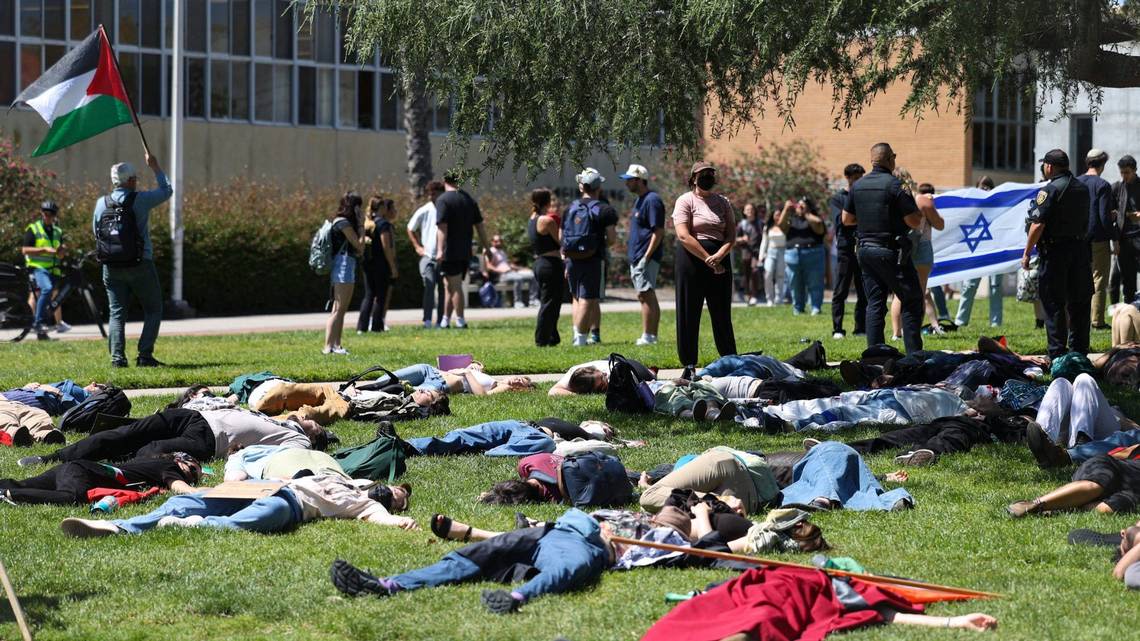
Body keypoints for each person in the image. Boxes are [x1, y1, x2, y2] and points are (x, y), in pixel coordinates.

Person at [329, 508, 609, 614]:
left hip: (582, 542)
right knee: (474, 556)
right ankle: (388, 585)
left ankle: (518, 597)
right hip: (548, 530)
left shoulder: (645, 535)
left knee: (565, 568)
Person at [60, 473, 416, 537]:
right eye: (397, 492)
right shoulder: (347, 478)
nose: (394, 496)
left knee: (250, 522)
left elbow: (383, 517)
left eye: (398, 502)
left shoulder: (366, 507)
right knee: (186, 502)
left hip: (290, 505)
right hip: (269, 486)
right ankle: (117, 527)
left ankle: (187, 526)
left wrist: (400, 521)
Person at [17, 406, 328, 468]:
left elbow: (293, 460)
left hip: (210, 441)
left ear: (314, 437)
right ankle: (50, 458)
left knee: (148, 451)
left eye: (316, 424)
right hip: (193, 416)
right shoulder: (281, 421)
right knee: (123, 433)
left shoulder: (298, 441)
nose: (309, 417)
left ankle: (97, 467)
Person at [841, 143, 924, 354]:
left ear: (872, 161)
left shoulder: (858, 186)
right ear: (890, 159)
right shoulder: (896, 185)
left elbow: (846, 219)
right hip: (891, 252)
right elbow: (914, 221)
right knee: (911, 299)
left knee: (875, 303)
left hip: (865, 252)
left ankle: (874, 356)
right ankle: (914, 356)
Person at [92, 152, 172, 368]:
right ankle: (145, 355)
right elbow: (167, 191)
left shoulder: (101, 203)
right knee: (153, 309)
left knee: (116, 313)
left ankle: (118, 359)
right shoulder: (141, 200)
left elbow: (96, 234)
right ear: (130, 181)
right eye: (135, 178)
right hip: (140, 263)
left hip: (111, 266)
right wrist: (155, 167)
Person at [1022, 149, 1093, 359]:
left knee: (1053, 304)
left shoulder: (1049, 190)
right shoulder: (1082, 188)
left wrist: (1027, 253)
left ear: (1050, 167)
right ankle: (1080, 353)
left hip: (1055, 254)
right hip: (1080, 251)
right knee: (1079, 302)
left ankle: (1058, 355)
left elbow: (1037, 225)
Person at [673, 162, 738, 378]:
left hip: (720, 259)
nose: (708, 177)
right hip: (691, 260)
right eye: (703, 175)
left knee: (721, 312)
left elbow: (731, 235)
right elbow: (683, 235)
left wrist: (719, 256)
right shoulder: (685, 200)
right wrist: (708, 258)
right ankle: (689, 364)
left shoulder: (723, 202)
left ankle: (730, 360)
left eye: (711, 174)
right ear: (693, 178)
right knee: (688, 312)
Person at [1, 453, 201, 505]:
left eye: (195, 478)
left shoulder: (147, 462)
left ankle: (9, 487)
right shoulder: (169, 467)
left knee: (25, 483)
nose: (190, 476)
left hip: (74, 467)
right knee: (72, 497)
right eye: (192, 469)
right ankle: (10, 494)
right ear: (179, 460)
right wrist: (211, 490)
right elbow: (181, 488)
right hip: (82, 473)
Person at [563, 168, 618, 346]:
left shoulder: (570, 207)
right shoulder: (605, 209)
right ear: (598, 187)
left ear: (582, 187)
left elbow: (560, 236)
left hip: (571, 258)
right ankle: (580, 339)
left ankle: (576, 333)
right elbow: (611, 239)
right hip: (593, 258)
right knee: (588, 298)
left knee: (576, 297)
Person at [435, 171, 490, 329]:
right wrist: (487, 247)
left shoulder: (443, 200)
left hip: (449, 250)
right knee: (449, 286)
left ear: (444, 180)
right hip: (465, 250)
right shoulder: (468, 199)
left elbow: (442, 228)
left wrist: (439, 250)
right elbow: (480, 226)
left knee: (455, 286)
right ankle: (445, 319)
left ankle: (460, 320)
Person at [890, 181, 945, 338]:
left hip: (898, 247)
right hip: (921, 245)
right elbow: (940, 224)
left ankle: (896, 333)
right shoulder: (921, 200)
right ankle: (913, 333)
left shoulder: (889, 199)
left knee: (898, 294)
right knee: (920, 292)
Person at [1007, 453, 1140, 516]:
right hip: (1111, 468)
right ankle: (1034, 504)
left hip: (1129, 490)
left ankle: (1064, 506)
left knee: (1112, 508)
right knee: (1097, 484)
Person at [622, 164, 666, 345]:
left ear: (640, 180)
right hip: (638, 255)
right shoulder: (640, 200)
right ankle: (649, 335)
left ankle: (649, 336)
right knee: (643, 294)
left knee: (646, 294)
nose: (627, 183)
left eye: (630, 180)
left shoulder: (652, 200)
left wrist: (646, 257)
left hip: (645, 256)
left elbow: (658, 231)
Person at [954, 176, 1006, 329]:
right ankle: (961, 321)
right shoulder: (971, 205)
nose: (984, 189)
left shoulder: (999, 206)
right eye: (981, 186)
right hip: (975, 250)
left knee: (995, 286)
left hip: (995, 250)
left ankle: (996, 322)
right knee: (969, 285)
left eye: (987, 186)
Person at [324, 192, 365, 355]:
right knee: (338, 309)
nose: (360, 210)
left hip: (346, 263)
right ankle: (328, 346)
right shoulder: (343, 223)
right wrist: (361, 225)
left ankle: (337, 345)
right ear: (353, 207)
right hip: (343, 265)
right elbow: (359, 245)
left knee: (340, 308)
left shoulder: (343, 222)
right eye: (358, 207)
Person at [1080, 149, 1117, 330]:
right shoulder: (1103, 185)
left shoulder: (1077, 182)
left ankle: (1080, 318)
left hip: (1078, 239)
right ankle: (1097, 321)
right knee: (1099, 279)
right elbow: (1104, 216)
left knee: (1079, 279)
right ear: (1102, 164)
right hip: (1098, 239)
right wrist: (1114, 237)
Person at [22, 200, 68, 339]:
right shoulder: (33, 228)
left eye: (51, 214)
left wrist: (62, 251)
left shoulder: (57, 231)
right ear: (41, 213)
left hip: (53, 270)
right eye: (45, 213)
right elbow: (25, 250)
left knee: (53, 298)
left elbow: (59, 254)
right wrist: (44, 249)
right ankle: (37, 323)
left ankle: (43, 334)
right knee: (46, 289)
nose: (48, 216)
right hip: (38, 268)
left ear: (55, 216)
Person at [831, 164, 866, 338]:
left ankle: (860, 328)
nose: (859, 180)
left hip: (863, 246)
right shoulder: (839, 198)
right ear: (848, 178)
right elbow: (841, 221)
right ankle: (837, 328)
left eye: (861, 177)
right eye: (856, 177)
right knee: (840, 290)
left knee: (863, 289)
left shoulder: (864, 196)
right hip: (845, 248)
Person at [407, 180, 447, 328]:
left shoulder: (447, 209)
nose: (431, 197)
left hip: (443, 256)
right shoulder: (425, 210)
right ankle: (427, 320)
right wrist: (418, 246)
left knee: (443, 289)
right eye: (429, 194)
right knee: (429, 286)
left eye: (434, 194)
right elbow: (410, 228)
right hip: (428, 256)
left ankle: (441, 320)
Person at [777, 197, 827, 315]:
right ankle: (798, 308)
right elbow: (781, 226)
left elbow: (819, 226)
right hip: (793, 254)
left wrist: (806, 213)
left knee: (815, 282)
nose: (799, 207)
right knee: (795, 283)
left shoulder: (813, 218)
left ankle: (815, 307)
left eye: (802, 205)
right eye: (798, 205)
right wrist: (785, 209)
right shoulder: (791, 219)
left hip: (813, 253)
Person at [370, 362, 535, 396]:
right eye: (520, 377)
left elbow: (482, 396)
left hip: (439, 384)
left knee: (394, 392)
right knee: (384, 379)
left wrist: (467, 373)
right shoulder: (492, 378)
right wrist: (473, 367)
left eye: (522, 383)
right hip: (430, 370)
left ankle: (357, 398)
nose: (518, 380)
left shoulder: (502, 388)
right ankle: (354, 389)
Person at [357, 196, 398, 333]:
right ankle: (376, 326)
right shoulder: (382, 224)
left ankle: (362, 326)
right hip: (381, 264)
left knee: (369, 295)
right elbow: (386, 246)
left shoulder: (368, 222)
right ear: (381, 208)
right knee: (381, 296)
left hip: (368, 263)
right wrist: (392, 266)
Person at [528, 188, 563, 347]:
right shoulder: (546, 221)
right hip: (550, 264)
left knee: (550, 302)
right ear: (547, 202)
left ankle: (552, 337)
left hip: (540, 263)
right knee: (550, 303)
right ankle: (541, 339)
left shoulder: (532, 219)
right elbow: (560, 240)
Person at [1113, 155, 1140, 304]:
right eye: (1122, 172)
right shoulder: (1117, 188)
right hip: (1124, 240)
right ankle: (1129, 312)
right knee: (1128, 281)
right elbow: (1111, 216)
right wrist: (1115, 241)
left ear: (1135, 170)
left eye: (1127, 172)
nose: (1124, 176)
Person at [484, 234, 537, 308]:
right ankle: (517, 302)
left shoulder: (502, 252)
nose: (498, 242)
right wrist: (500, 270)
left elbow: (510, 265)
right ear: (492, 242)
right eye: (496, 241)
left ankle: (533, 301)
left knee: (532, 276)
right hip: (502, 275)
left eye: (500, 241)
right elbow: (488, 266)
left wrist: (523, 269)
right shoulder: (491, 251)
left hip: (512, 273)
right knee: (518, 278)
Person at [735, 203, 766, 306]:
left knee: (755, 271)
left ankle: (754, 295)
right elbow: (735, 239)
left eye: (751, 209)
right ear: (744, 212)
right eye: (747, 209)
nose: (750, 211)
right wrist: (742, 239)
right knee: (747, 274)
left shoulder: (760, 223)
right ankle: (747, 294)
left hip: (757, 252)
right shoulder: (741, 224)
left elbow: (765, 238)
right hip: (746, 252)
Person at [759, 204, 787, 307]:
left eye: (780, 215)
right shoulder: (768, 227)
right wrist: (761, 256)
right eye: (776, 215)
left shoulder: (785, 225)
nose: (778, 217)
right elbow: (764, 242)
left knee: (780, 276)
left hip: (783, 252)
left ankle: (779, 299)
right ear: (773, 216)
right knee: (768, 274)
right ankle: (769, 299)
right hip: (771, 252)